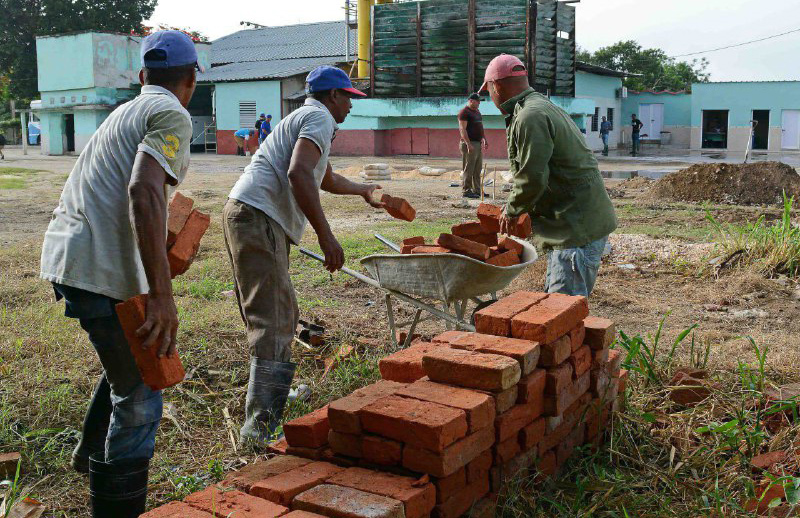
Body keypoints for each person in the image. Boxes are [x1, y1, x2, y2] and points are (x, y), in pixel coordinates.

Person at [38, 30, 200, 515]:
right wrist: (161, 293)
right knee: (142, 391)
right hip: (95, 267)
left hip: (74, 258)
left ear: (143, 75)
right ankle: (116, 507)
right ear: (191, 78)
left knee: (123, 364)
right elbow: (144, 190)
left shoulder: (127, 110)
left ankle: (91, 458)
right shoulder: (171, 112)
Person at [223, 65, 384, 448]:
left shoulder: (307, 117)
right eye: (347, 97)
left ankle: (272, 398)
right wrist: (326, 236)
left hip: (253, 215)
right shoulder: (318, 116)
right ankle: (260, 426)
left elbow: (322, 177)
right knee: (274, 317)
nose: (350, 105)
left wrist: (362, 189)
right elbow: (298, 173)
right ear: (332, 96)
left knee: (279, 311)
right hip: (258, 217)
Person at [480, 54, 617, 297]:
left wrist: (511, 211)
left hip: (575, 229)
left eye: (488, 91)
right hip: (575, 222)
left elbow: (532, 177)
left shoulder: (530, 116)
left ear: (496, 85)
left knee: (561, 313)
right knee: (558, 311)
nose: (490, 98)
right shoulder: (539, 105)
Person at [458, 93, 488, 199]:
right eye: (478, 101)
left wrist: (484, 138)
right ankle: (466, 190)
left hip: (478, 143)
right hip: (469, 143)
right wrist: (468, 144)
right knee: (468, 168)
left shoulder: (477, 112)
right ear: (471, 101)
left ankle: (477, 190)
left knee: (477, 168)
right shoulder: (464, 112)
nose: (479, 103)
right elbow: (462, 129)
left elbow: (480, 126)